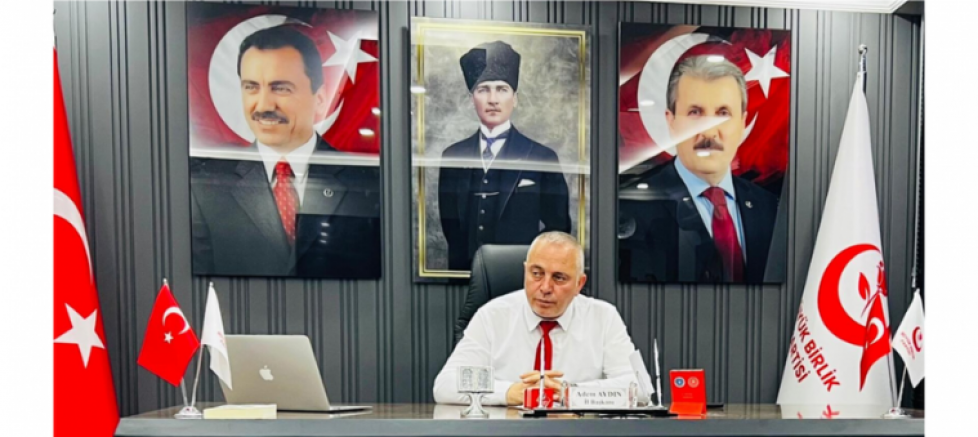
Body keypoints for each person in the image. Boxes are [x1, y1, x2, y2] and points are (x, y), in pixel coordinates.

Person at [190, 25, 381, 278]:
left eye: (281, 88)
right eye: (251, 87)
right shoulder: (204, 186)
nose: (264, 105)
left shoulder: (366, 181)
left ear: (320, 99)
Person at [619, 55, 779, 283]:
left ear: (742, 123)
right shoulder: (629, 208)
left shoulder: (770, 209)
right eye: (695, 113)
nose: (709, 132)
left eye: (723, 113)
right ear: (671, 121)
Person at [433, 232, 638, 406]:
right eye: (537, 273)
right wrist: (511, 392)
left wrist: (570, 392)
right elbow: (445, 385)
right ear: (525, 271)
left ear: (579, 284)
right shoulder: (493, 316)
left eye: (559, 277)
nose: (545, 288)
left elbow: (639, 387)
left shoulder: (604, 317)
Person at [438, 41, 571, 271]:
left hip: (521, 279)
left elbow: (558, 229)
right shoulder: (453, 156)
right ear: (471, 99)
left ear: (515, 98)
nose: (493, 99)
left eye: (501, 89)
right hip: (464, 277)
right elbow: (450, 226)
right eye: (483, 89)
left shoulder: (541, 157)